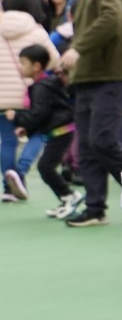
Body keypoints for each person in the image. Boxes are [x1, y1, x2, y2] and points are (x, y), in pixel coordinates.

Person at [59, 0, 122, 227]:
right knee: (89, 146)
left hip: (110, 77)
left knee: (103, 141)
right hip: (90, 79)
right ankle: (94, 208)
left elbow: (114, 19)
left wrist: (78, 49)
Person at [5, 44, 80, 217]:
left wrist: (17, 117)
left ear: (36, 66)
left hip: (61, 132)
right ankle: (66, 198)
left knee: (45, 167)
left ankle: (70, 195)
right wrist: (26, 128)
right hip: (59, 131)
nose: (20, 67)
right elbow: (44, 114)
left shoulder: (42, 86)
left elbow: (39, 114)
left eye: (23, 63)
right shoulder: (45, 84)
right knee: (46, 167)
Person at [1, 0, 61, 202]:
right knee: (39, 134)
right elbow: (54, 60)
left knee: (7, 140)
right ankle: (21, 171)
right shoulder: (36, 31)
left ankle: (9, 189)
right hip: (33, 93)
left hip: (2, 97)